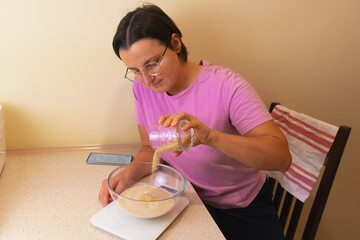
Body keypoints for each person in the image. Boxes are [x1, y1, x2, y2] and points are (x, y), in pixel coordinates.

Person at [99, 3, 292, 240]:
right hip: (184, 201)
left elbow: (281, 158)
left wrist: (211, 137)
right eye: (135, 70)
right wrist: (130, 173)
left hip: (240, 208)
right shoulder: (142, 88)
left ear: (176, 43)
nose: (147, 79)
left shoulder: (227, 86)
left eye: (152, 64)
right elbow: (151, 147)